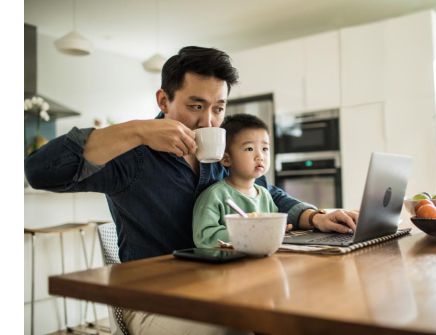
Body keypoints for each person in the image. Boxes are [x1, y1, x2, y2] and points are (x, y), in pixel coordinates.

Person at [24, 46, 358, 334]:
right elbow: (38, 171)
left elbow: (265, 192)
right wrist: (139, 130)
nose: (210, 122)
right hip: (152, 300)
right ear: (163, 100)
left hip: (222, 285)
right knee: (235, 326)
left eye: (219, 108)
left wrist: (314, 217)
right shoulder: (130, 156)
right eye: (196, 106)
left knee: (301, 309)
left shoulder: (220, 155)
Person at [193, 114, 286, 248]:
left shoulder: (265, 195)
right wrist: (246, 233)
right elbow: (204, 236)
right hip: (226, 265)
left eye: (265, 148)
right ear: (226, 159)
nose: (260, 156)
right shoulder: (215, 196)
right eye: (249, 149)